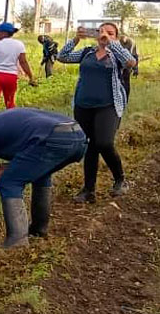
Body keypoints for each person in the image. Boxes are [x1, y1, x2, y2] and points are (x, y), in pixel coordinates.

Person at [0, 108, 86, 248]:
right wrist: (13, 166)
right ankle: (39, 229)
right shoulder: (2, 121)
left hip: (52, 138)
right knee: (41, 175)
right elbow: (29, 148)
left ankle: (17, 241)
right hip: (78, 135)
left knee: (8, 181)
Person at [57, 23, 137, 202]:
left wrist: (112, 44)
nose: (104, 35)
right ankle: (88, 190)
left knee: (104, 143)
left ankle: (120, 179)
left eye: (110, 33)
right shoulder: (87, 53)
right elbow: (62, 57)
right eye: (101, 32)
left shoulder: (117, 54)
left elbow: (131, 62)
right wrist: (76, 39)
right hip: (83, 106)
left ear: (116, 37)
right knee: (90, 146)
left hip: (108, 106)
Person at [0, 22, 35, 115]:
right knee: (10, 102)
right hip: (10, 76)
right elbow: (23, 62)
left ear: (4, 33)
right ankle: (11, 120)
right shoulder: (19, 45)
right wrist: (30, 77)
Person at [119, 34, 139, 98]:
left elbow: (134, 56)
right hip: (119, 66)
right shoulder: (116, 42)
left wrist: (135, 69)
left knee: (126, 83)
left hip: (127, 66)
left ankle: (125, 99)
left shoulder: (131, 42)